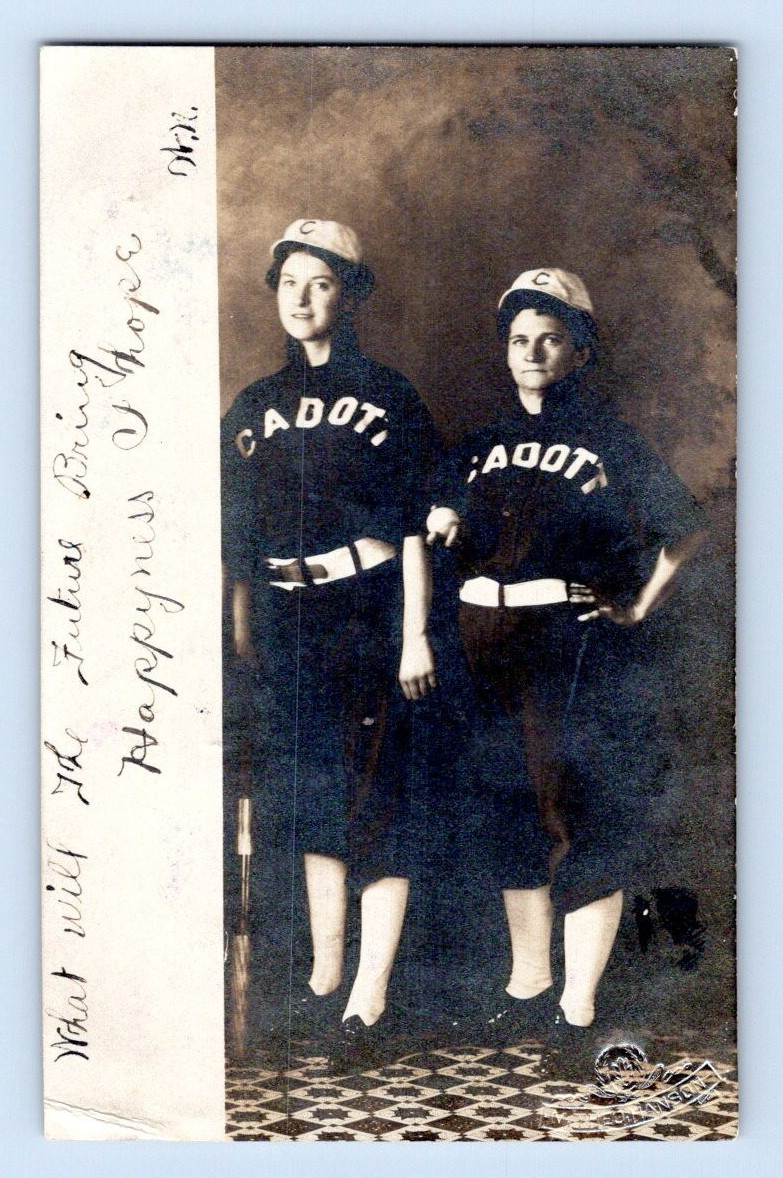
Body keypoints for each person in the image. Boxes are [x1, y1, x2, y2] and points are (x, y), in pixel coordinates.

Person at [426, 267, 706, 1078]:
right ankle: (528, 981)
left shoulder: (610, 439)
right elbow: (440, 510)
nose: (532, 351)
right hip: (480, 638)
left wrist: (635, 607)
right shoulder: (475, 440)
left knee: (575, 812)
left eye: (550, 337)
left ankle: (577, 1002)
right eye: (518, 338)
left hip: (563, 640)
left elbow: (681, 529)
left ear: (579, 349)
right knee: (504, 809)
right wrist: (443, 514)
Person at [221, 218, 440, 1069]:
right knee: (311, 799)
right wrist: (244, 628)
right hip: (284, 616)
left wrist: (415, 635)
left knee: (375, 796)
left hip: (371, 606)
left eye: (320, 283)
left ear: (349, 294)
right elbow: (237, 537)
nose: (302, 300)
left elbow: (416, 525)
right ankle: (322, 981)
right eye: (288, 284)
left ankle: (369, 998)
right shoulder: (251, 406)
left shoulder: (389, 395)